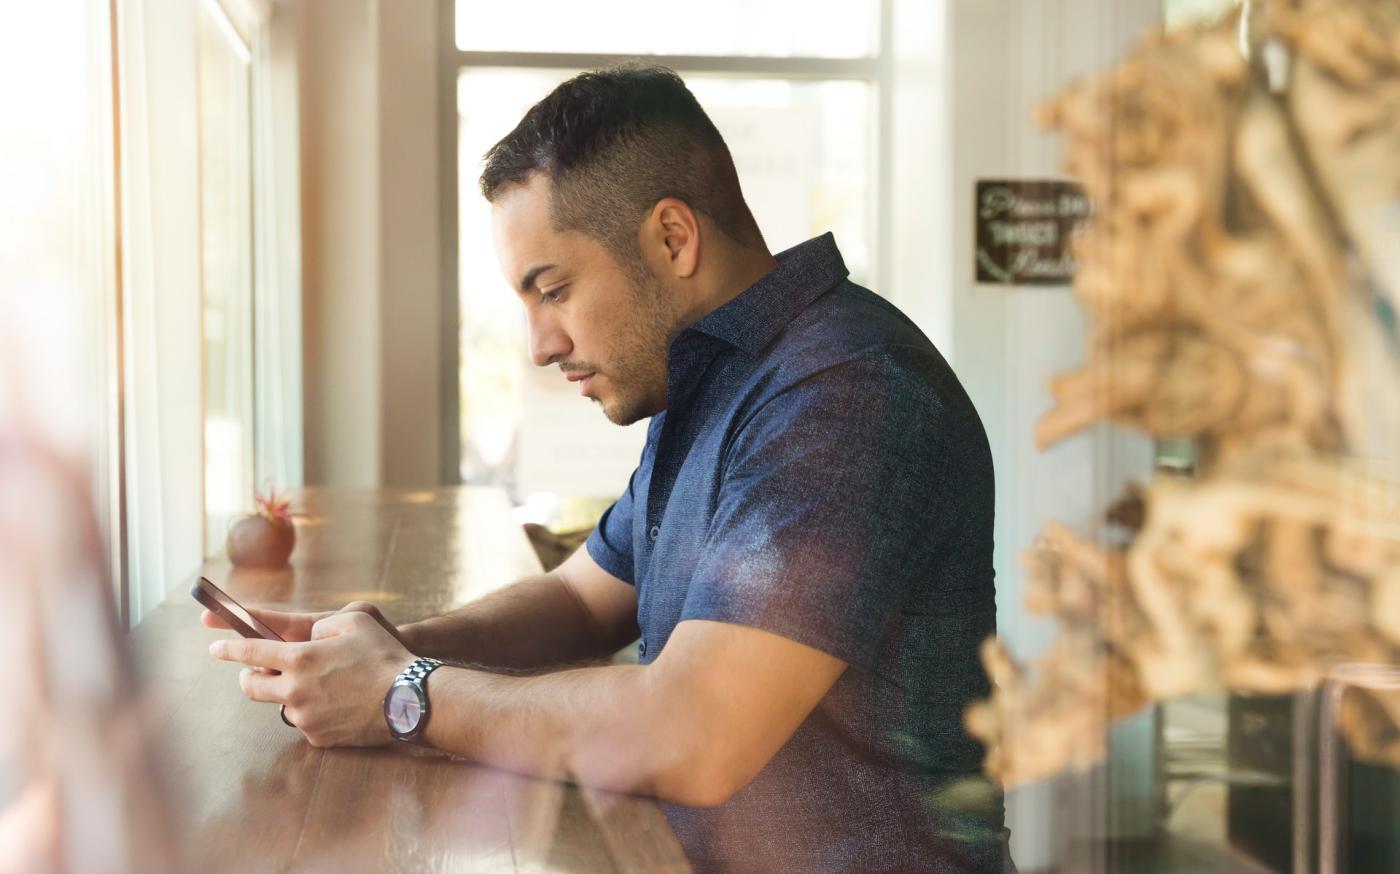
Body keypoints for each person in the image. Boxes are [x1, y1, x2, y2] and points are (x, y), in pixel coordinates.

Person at [205, 64, 1013, 872]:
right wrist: (371, 651)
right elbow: (581, 600)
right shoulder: (709, 378)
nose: (539, 346)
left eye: (552, 290)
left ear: (672, 238)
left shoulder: (847, 393)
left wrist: (401, 692)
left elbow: (694, 730)